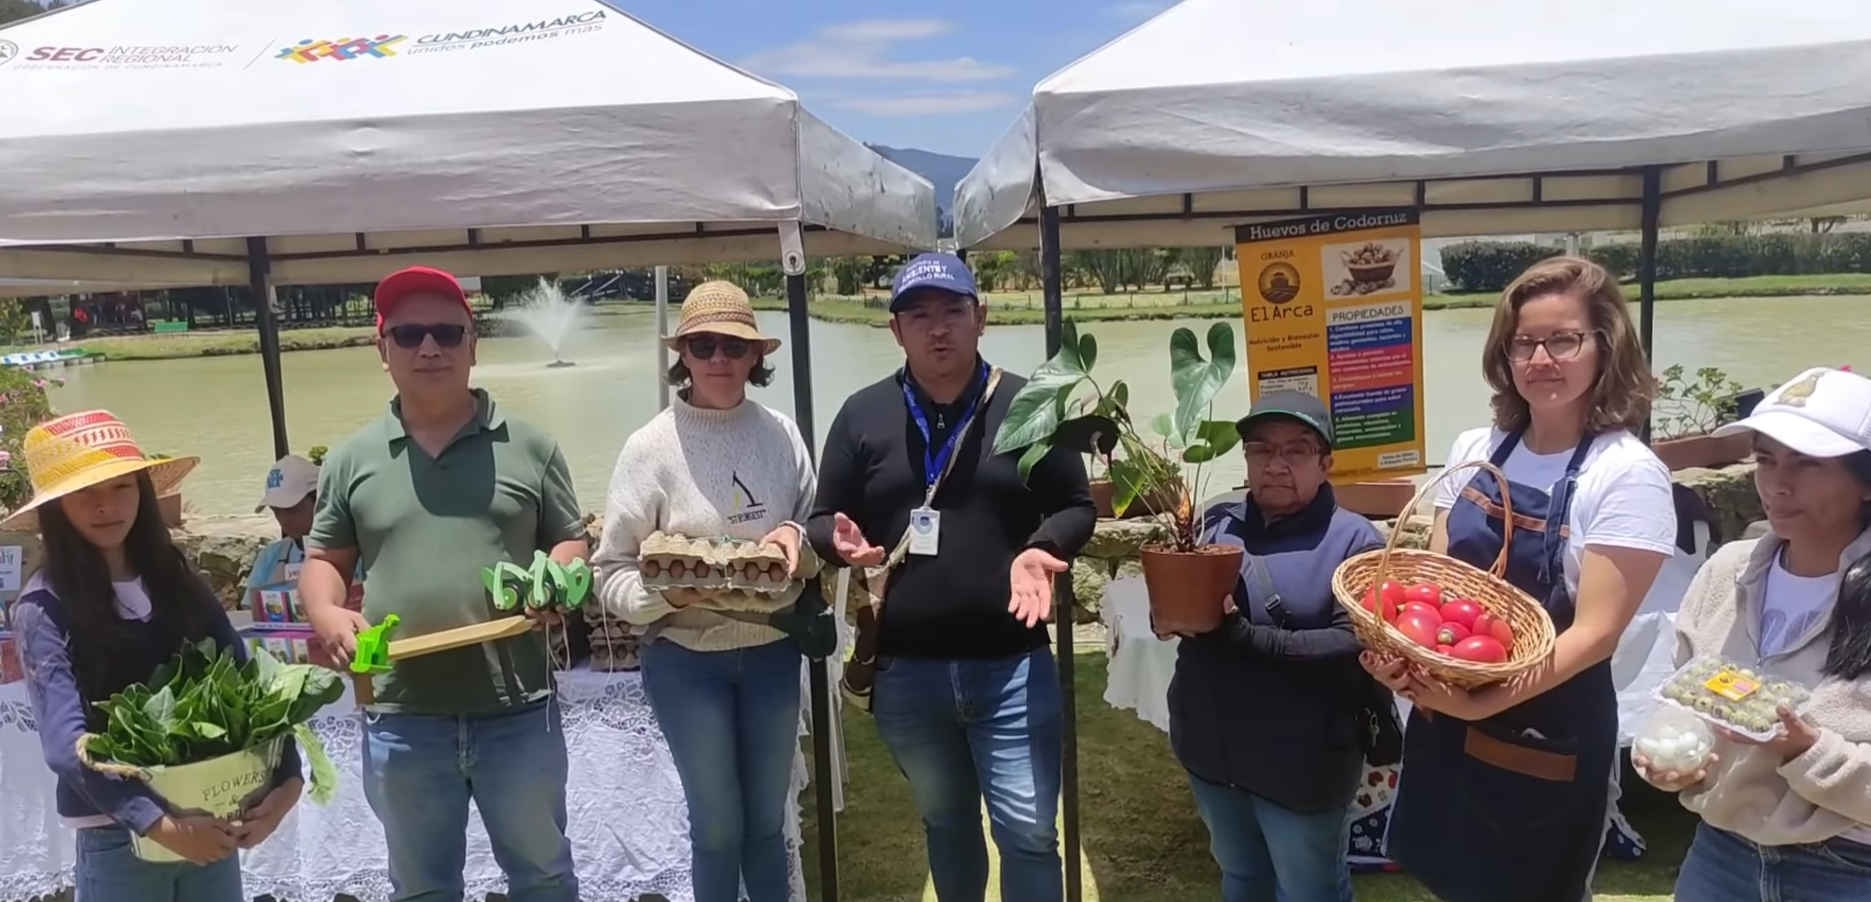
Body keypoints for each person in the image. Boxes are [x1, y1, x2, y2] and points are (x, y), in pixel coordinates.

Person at [1365, 256, 1677, 902]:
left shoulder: (1625, 474)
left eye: (1563, 339)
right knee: (1454, 881)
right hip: (1448, 715)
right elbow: (1444, 588)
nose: (1540, 358)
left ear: (1604, 345)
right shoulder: (1475, 449)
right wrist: (1408, 661)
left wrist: (1479, 701)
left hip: (1545, 730)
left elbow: (1594, 634)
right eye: (1524, 342)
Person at [806, 252, 1097, 902]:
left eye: (952, 311)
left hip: (1012, 666)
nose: (937, 329)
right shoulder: (862, 414)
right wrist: (835, 538)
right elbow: (821, 518)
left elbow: (1076, 505)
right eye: (919, 316)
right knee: (947, 822)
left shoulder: (1028, 403)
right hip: (906, 674)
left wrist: (1039, 548)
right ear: (895, 331)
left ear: (980, 318)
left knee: (1027, 829)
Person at [299, 265, 589, 902]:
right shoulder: (351, 459)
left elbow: (570, 540)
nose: (428, 348)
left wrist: (562, 577)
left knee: (542, 877)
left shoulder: (532, 446)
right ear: (383, 351)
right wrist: (325, 611)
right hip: (402, 714)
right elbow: (324, 559)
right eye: (407, 334)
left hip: (518, 708)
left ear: (472, 345)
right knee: (423, 889)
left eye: (446, 333)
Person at [8, 411, 304, 902]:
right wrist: (160, 825)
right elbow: (67, 747)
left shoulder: (178, 581)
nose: (107, 506)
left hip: (212, 826)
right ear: (57, 508)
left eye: (122, 487)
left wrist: (285, 781)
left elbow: (251, 688)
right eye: (86, 493)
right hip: (118, 837)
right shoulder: (44, 608)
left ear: (144, 493)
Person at [590, 282, 818, 902]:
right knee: (718, 830)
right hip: (686, 662)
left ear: (755, 356)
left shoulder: (783, 435)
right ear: (683, 355)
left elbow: (813, 527)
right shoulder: (648, 448)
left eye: (733, 345)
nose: (718, 356)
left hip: (774, 649)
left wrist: (796, 537)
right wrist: (669, 597)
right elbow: (608, 569)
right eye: (702, 344)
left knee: (767, 827)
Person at [1634, 366, 1871, 902]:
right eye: (1765, 460)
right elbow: (1687, 700)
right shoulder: (1726, 571)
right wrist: (1677, 762)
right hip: (1722, 856)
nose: (1776, 484)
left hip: (1851, 869)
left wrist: (1805, 749)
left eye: (1807, 464)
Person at [1168, 391, 1383, 902]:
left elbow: (1353, 640)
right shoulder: (1215, 523)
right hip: (1212, 751)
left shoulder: (1356, 543)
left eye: (1297, 450)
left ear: (1326, 462)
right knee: (1242, 878)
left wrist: (1246, 638)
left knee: (1309, 891)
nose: (1277, 464)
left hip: (1301, 762)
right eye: (1262, 450)